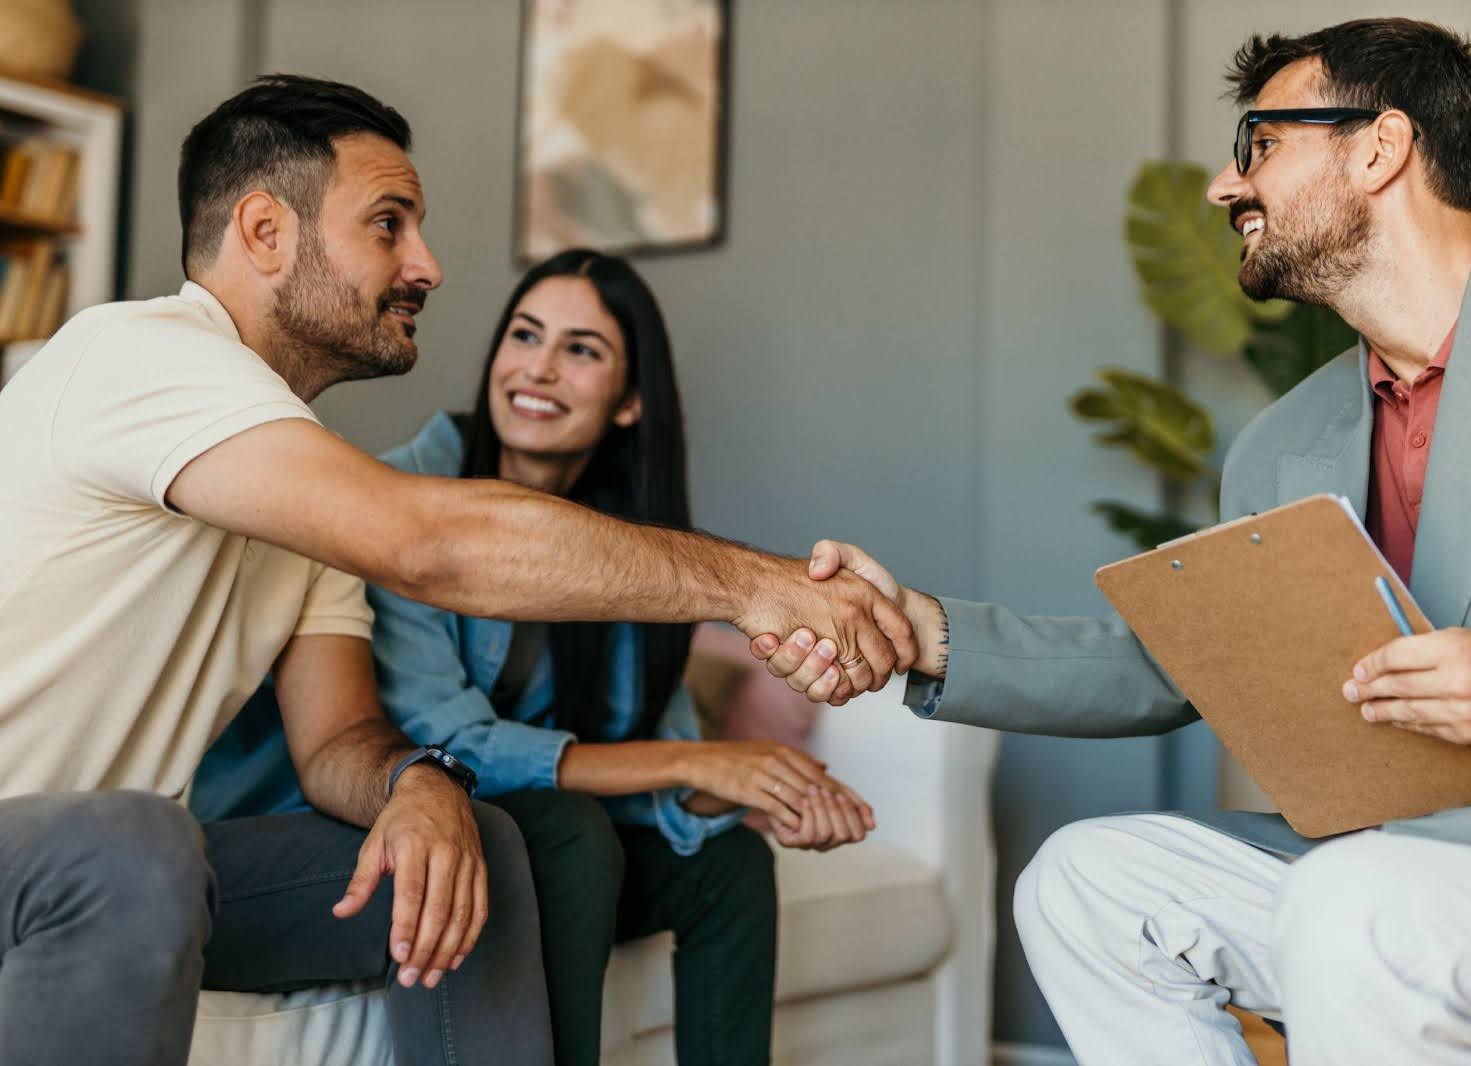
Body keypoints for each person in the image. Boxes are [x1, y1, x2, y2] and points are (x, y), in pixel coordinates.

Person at [0, 74, 913, 1066]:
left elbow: (339, 734)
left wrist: (416, 782)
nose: (428, 265)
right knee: (140, 841)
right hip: (59, 853)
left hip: (128, 873)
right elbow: (429, 544)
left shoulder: (299, 478)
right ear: (264, 232)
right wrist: (755, 584)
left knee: (485, 845)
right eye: (388, 225)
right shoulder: (136, 354)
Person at [758, 18, 1471, 1066]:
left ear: (1378, 148)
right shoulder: (1281, 441)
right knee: (1083, 882)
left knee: (1356, 901)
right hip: (1402, 862)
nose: (1224, 185)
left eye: (1260, 142)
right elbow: (1174, 669)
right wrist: (923, 632)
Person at [196, 248, 877, 1066]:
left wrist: (760, 790)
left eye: (581, 350)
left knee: (727, 862)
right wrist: (703, 758)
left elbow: (644, 758)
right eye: (524, 335)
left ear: (629, 402)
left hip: (526, 830)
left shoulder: (634, 548)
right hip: (371, 817)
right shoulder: (405, 502)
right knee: (569, 832)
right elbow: (452, 742)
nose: (539, 368)